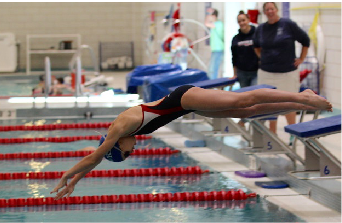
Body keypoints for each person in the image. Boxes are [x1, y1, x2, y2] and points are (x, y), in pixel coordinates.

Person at [51, 85, 332, 200]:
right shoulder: (120, 132)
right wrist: (77, 181)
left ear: (116, 146)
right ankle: (296, 102)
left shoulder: (120, 127)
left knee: (241, 100)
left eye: (126, 153)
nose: (133, 150)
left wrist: (69, 176)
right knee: (244, 112)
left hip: (183, 99)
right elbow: (97, 158)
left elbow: (95, 157)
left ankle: (303, 97)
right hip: (187, 107)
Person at [253, 2, 310, 139]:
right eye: (267, 10)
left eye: (272, 9)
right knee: (269, 104)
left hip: (287, 72)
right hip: (267, 73)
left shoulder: (287, 24)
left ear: (276, 10)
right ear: (264, 12)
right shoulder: (261, 28)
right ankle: (273, 134)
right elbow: (256, 46)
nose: (270, 11)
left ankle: (293, 132)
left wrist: (301, 58)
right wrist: (263, 57)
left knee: (289, 103)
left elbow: (305, 40)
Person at [231, 10, 258, 88]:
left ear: (248, 20)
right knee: (244, 96)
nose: (242, 23)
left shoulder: (257, 34)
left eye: (243, 20)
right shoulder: (236, 38)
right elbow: (234, 57)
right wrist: (234, 74)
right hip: (242, 72)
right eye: (239, 21)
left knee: (254, 93)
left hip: (256, 72)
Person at [205, 8, 224, 80]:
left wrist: (207, 13)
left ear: (213, 16)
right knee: (212, 69)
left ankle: (212, 86)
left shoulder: (218, 24)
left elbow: (206, 23)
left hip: (218, 49)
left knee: (213, 69)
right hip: (215, 49)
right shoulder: (217, 24)